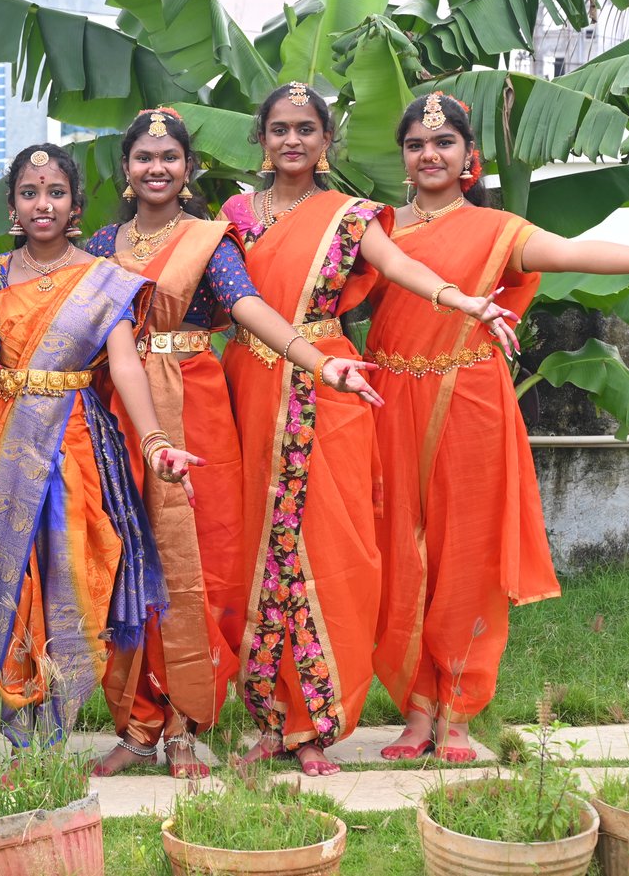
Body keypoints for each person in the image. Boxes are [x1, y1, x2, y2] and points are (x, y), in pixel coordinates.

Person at [372, 92, 629, 762]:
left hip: (470, 399)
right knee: (399, 548)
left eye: (444, 143)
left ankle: (453, 710)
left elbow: (570, 252)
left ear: (467, 159)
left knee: (464, 555)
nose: (430, 153)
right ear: (403, 158)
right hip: (391, 399)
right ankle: (414, 710)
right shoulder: (375, 230)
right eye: (417, 144)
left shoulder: (496, 230)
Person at [219, 82, 518, 777]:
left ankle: (319, 723)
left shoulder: (350, 217)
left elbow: (401, 267)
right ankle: (270, 717)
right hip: (251, 388)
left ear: (328, 144)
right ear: (261, 141)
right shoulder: (232, 217)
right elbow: (220, 296)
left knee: (331, 551)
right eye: (279, 128)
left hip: (330, 389)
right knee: (257, 553)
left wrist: (463, 299)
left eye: (307, 129)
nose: (292, 139)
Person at [85, 108, 381, 777]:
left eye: (170, 156)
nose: (156, 166)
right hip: (122, 411)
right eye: (143, 156)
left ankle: (187, 724)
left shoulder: (211, 239)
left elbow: (247, 307)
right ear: (127, 171)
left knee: (202, 564)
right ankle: (138, 723)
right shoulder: (103, 244)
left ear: (189, 169)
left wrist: (316, 360)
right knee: (127, 562)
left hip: (200, 405)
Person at [0, 142, 187, 758]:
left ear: (75, 206)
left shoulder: (104, 281)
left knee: (70, 576)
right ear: (12, 206)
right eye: (30, 193)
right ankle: (17, 733)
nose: (43, 204)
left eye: (56, 193)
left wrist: (155, 441)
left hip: (73, 443)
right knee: (4, 580)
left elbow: (123, 365)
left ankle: (56, 732)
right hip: (0, 444)